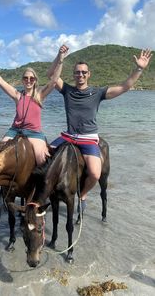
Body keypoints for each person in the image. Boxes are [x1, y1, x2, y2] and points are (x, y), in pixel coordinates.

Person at [48, 45, 152, 213]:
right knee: (44, 156)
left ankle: (82, 195)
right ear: (73, 75)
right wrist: (59, 57)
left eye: (83, 72)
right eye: (77, 72)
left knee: (95, 174)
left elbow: (124, 87)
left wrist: (139, 68)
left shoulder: (97, 93)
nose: (80, 75)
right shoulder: (67, 90)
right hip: (69, 136)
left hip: (88, 138)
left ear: (89, 74)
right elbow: (51, 75)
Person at [0, 50, 63, 166]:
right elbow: (0, 80)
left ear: (35, 81)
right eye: (26, 78)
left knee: (42, 160)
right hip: (15, 131)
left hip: (34, 133)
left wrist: (60, 59)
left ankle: (41, 184)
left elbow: (54, 82)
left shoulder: (39, 95)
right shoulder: (17, 95)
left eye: (31, 78)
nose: (28, 80)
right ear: (22, 80)